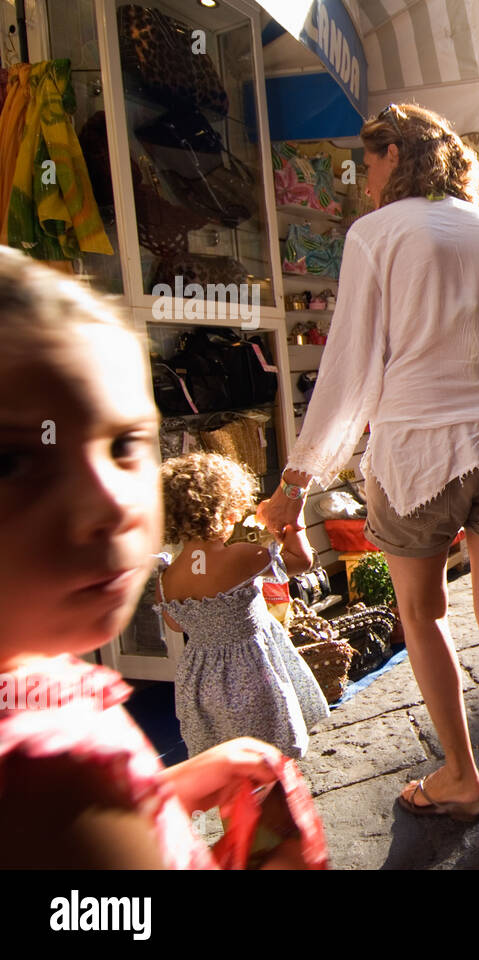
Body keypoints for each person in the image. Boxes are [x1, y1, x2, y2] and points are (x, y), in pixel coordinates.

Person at [257, 103, 479, 828]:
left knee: (421, 615)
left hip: (420, 461)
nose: (362, 177)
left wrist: (298, 480)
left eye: (367, 160)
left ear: (394, 154)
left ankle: (461, 775)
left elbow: (350, 368)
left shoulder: (375, 234)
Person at [0, 248, 317, 868]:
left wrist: (160, 792)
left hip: (201, 688)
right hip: (252, 676)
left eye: (123, 445)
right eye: (12, 461)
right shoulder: (58, 771)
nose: (107, 502)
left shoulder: (43, 706)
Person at [157, 452, 328, 760]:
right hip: (252, 672)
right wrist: (292, 524)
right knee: (270, 754)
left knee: (229, 761)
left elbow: (175, 623)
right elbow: (301, 562)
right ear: (230, 511)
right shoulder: (241, 556)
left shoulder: (168, 577)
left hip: (200, 682)